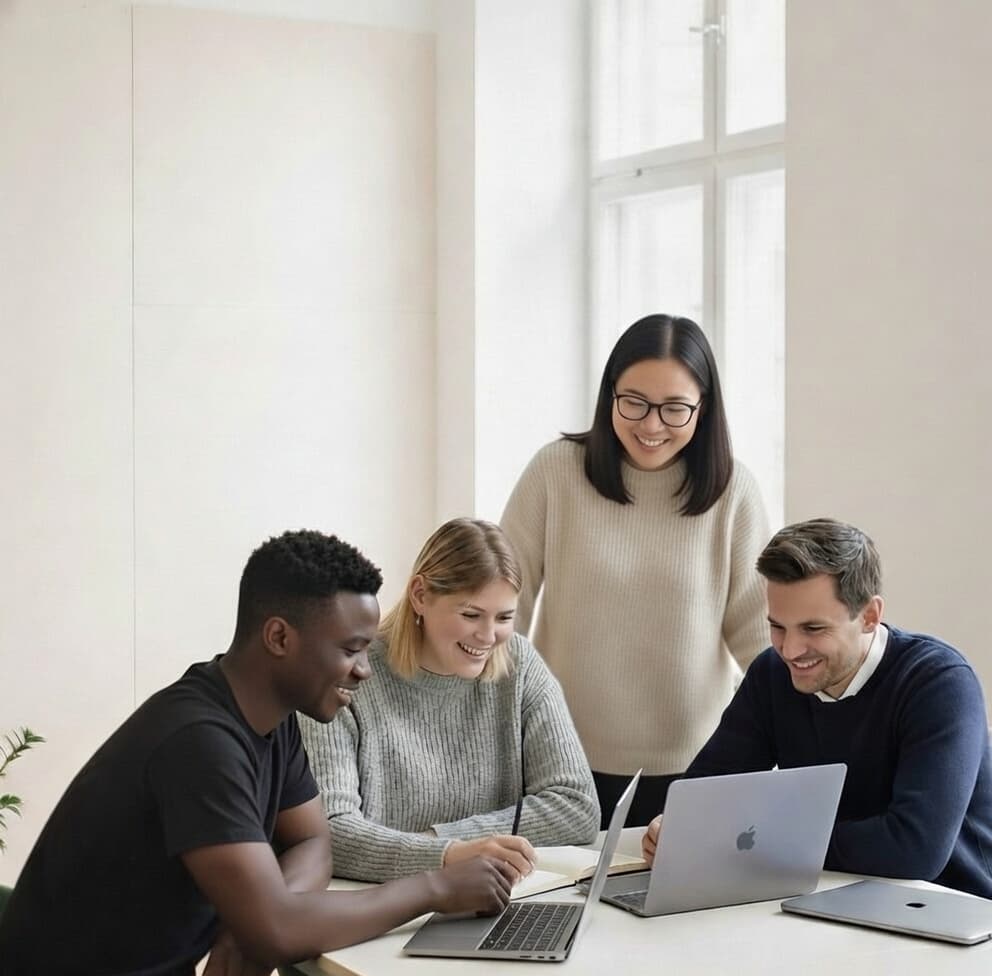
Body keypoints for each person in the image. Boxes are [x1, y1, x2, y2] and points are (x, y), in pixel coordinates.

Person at [0, 530, 515, 976]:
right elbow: (278, 929)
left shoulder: (272, 718)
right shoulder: (199, 742)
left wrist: (258, 922)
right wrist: (434, 887)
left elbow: (313, 842)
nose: (363, 669)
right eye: (350, 650)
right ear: (279, 637)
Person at [500, 314, 769, 826]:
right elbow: (504, 612)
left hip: (694, 769)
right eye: (635, 402)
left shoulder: (734, 491)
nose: (651, 425)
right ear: (610, 395)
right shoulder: (556, 471)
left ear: (704, 408)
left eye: (674, 408)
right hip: (559, 762)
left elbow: (759, 640)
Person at [642, 518, 992, 899]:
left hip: (950, 907)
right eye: (778, 627)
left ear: (869, 616)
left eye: (813, 629)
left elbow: (914, 849)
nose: (790, 650)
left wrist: (756, 843)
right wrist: (676, 828)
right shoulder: (772, 674)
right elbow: (702, 797)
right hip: (827, 898)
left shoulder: (939, 684)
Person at [300, 518, 599, 883]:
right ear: (420, 595)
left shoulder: (519, 665)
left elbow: (578, 806)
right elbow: (328, 833)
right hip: (378, 902)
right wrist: (447, 855)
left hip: (497, 895)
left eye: (504, 617)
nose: (488, 636)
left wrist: (445, 841)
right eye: (471, 614)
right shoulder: (345, 677)